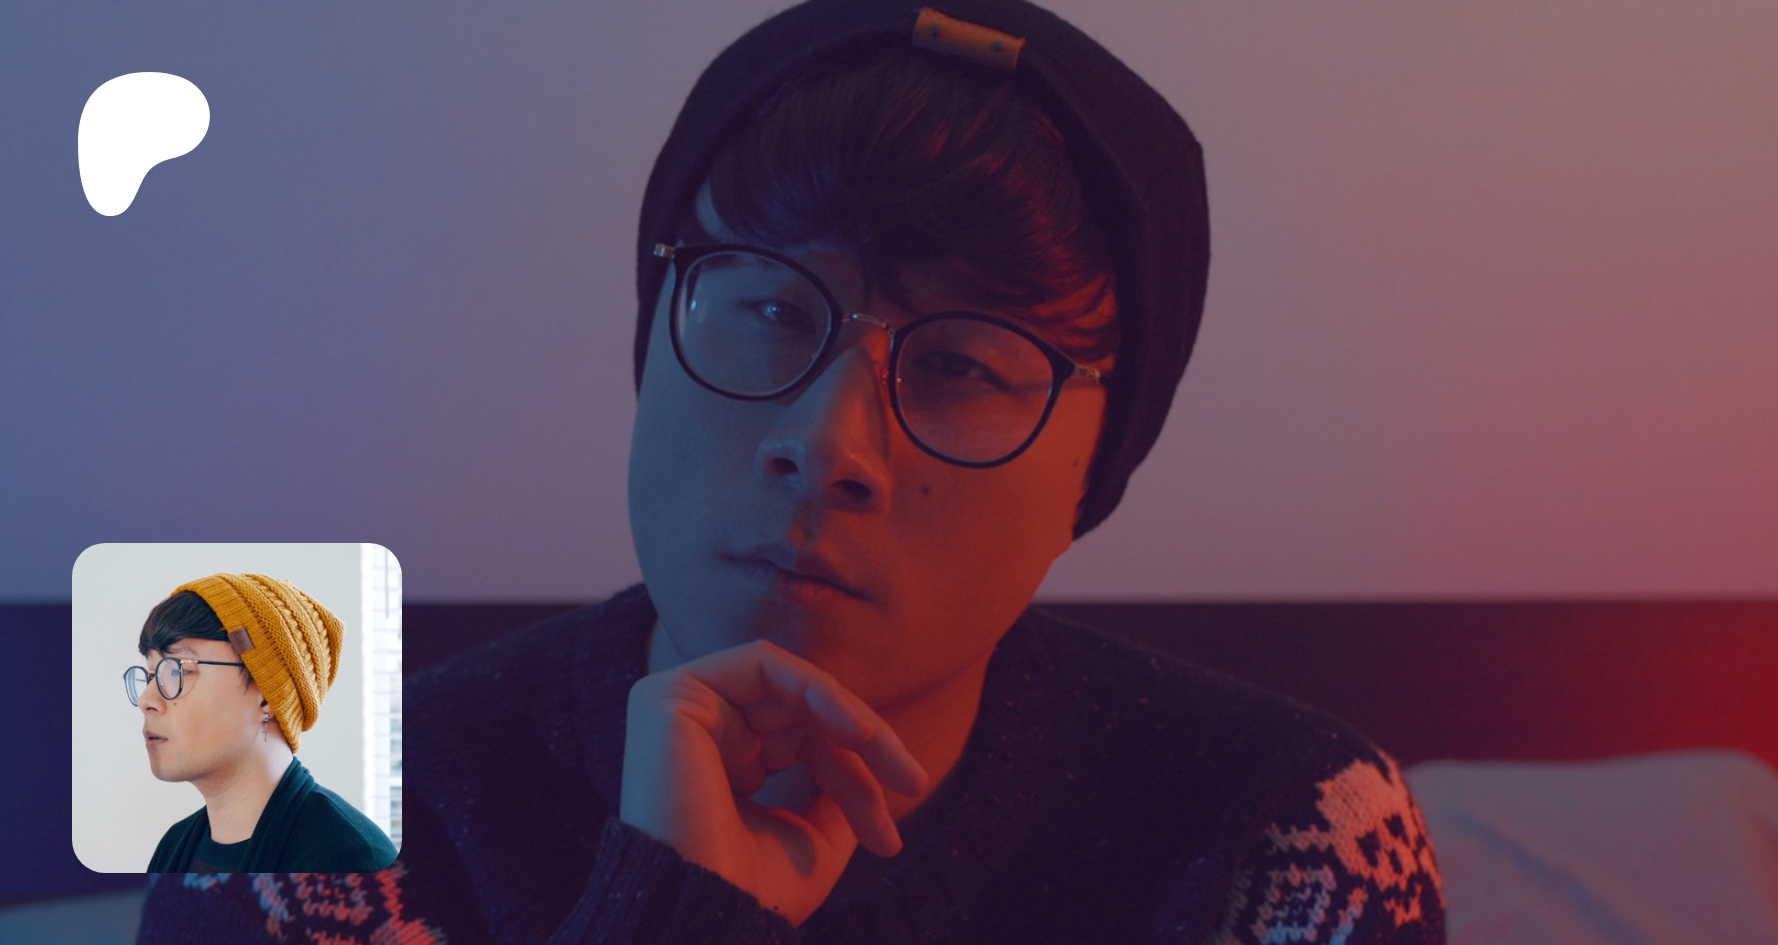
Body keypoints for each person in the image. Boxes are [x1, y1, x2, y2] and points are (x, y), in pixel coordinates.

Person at [137, 0, 1444, 941]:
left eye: (963, 365)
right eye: (765, 308)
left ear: (1098, 468)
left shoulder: (1284, 840)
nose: (826, 444)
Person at [129, 573, 397, 873]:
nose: (146, 699)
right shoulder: (173, 848)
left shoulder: (352, 860)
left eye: (177, 670)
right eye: (151, 675)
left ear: (268, 694)